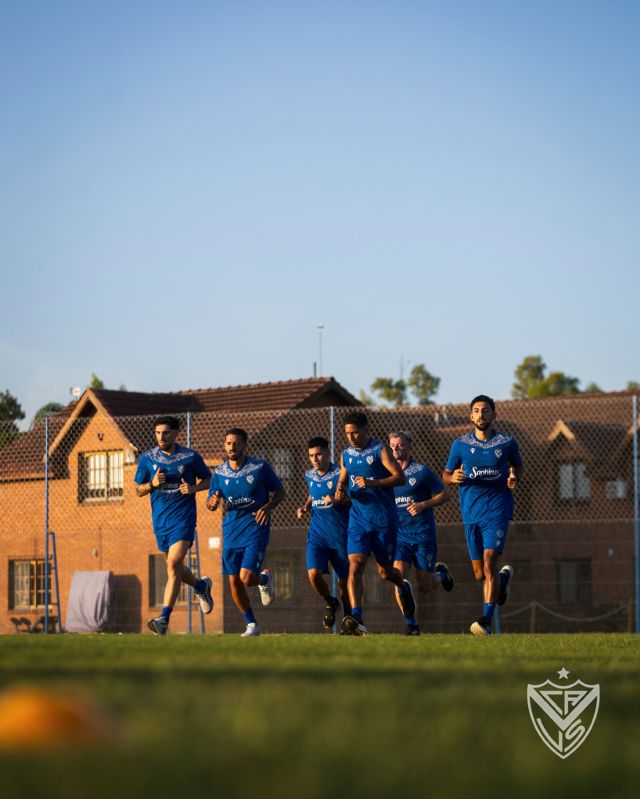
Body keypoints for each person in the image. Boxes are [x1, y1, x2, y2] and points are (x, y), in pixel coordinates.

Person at [442, 395, 522, 637]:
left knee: (489, 560)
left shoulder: (506, 443)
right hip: (471, 513)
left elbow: (517, 466)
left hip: (497, 510)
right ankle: (502, 580)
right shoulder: (460, 444)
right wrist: (453, 478)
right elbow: (446, 474)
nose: (480, 414)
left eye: (485, 410)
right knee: (480, 574)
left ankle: (485, 621)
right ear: (471, 416)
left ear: (494, 414)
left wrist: (514, 477)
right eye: (476, 411)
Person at [334, 411, 416, 635]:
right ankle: (356, 618)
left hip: (383, 521)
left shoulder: (380, 449)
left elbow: (400, 477)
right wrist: (340, 491)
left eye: (355, 432)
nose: (351, 437)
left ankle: (402, 585)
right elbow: (342, 479)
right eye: (347, 433)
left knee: (385, 572)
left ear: (366, 430)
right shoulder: (346, 454)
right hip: (358, 520)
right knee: (355, 565)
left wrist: (373, 483)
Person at [135, 416, 214, 635]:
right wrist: (152, 484)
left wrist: (193, 489)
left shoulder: (190, 457)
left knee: (174, 562)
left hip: (183, 520)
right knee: (174, 566)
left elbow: (210, 480)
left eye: (166, 433)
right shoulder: (147, 458)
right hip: (161, 523)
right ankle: (200, 586)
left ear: (176, 433)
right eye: (158, 433)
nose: (161, 437)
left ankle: (163, 619)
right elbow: (137, 490)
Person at [206, 428, 285, 637]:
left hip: (256, 526)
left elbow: (280, 492)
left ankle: (262, 580)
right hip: (231, 529)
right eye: (228, 443)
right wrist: (212, 502)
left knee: (247, 577)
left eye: (236, 443)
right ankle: (252, 624)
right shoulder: (219, 473)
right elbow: (210, 502)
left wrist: (267, 507)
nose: (232, 447)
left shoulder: (259, 467)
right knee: (234, 581)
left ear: (244, 445)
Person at [388, 431, 453, 635]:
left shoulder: (421, 471)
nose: (395, 449)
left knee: (425, 586)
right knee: (398, 577)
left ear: (410, 447)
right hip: (399, 537)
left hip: (423, 535)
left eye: (400, 445)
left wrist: (423, 504)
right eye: (392, 445)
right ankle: (412, 625)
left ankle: (440, 574)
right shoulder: (386, 474)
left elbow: (445, 494)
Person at [296, 436, 351, 630]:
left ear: (328, 453)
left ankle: (349, 619)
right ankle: (330, 601)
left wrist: (336, 500)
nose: (315, 459)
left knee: (345, 582)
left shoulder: (340, 474)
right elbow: (313, 494)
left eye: (318, 454)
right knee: (313, 575)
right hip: (317, 537)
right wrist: (305, 506)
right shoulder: (309, 475)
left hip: (340, 536)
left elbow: (351, 501)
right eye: (311, 455)